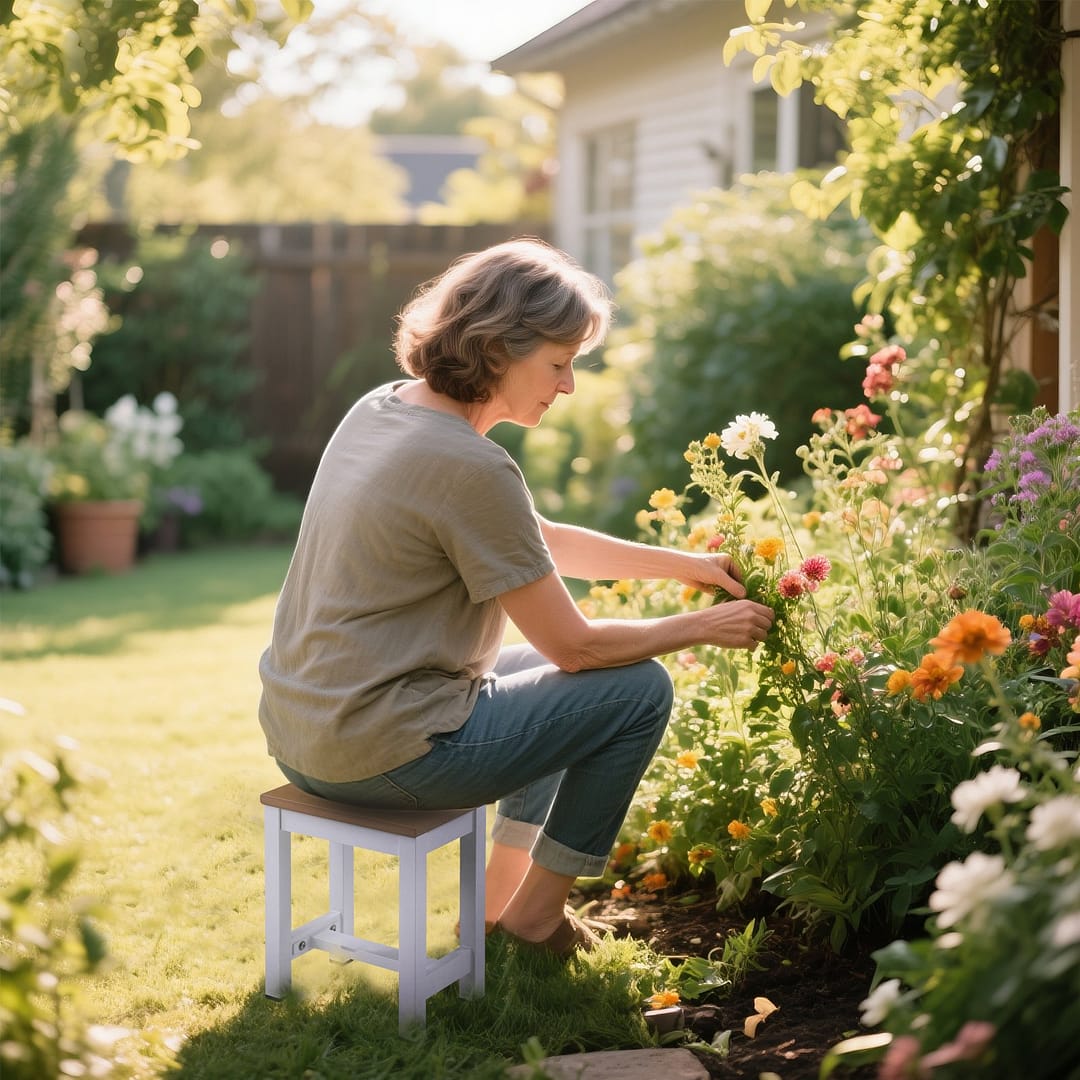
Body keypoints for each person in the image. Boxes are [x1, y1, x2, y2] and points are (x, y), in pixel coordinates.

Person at [258, 238, 774, 956]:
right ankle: (532, 920)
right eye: (559, 365)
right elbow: (578, 645)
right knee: (633, 691)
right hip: (381, 751)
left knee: (562, 686)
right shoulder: (471, 465)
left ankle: (494, 913)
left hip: (304, 729)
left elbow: (538, 540)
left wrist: (686, 564)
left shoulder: (381, 410)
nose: (566, 387)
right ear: (499, 349)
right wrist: (703, 625)